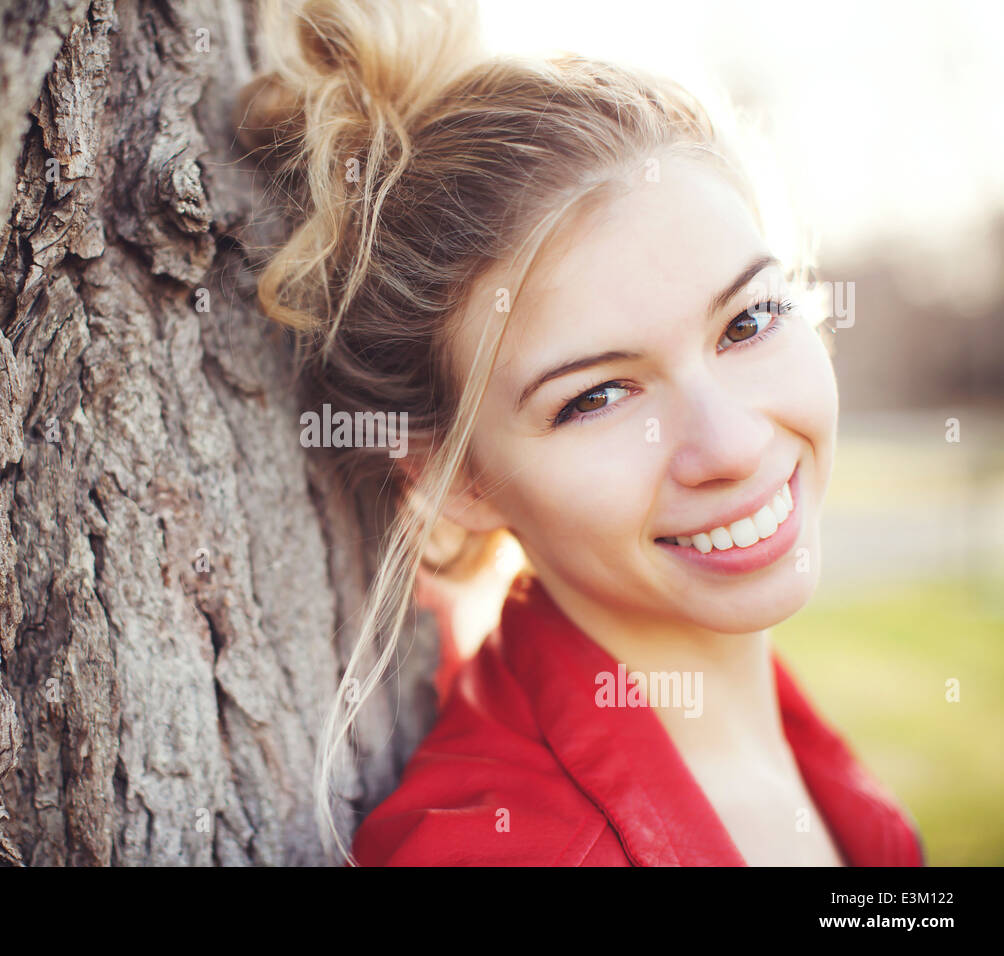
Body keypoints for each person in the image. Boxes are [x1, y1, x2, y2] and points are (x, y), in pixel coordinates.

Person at [236, 0, 925, 866]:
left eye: (747, 323)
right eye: (597, 397)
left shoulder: (794, 753)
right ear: (457, 479)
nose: (735, 447)